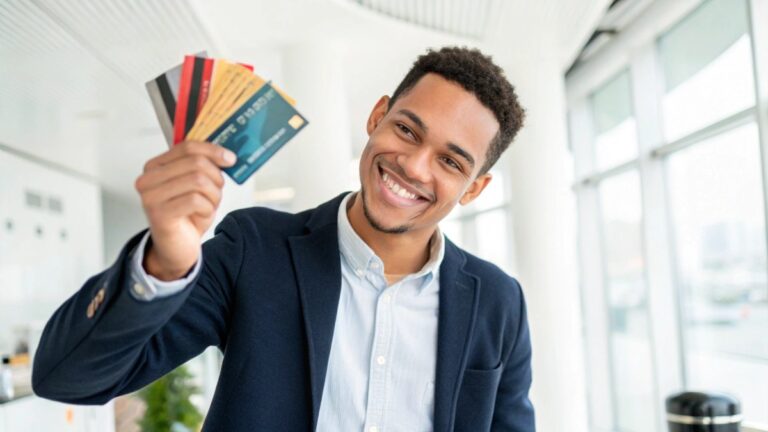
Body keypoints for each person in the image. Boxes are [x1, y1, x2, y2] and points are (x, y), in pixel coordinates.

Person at [32, 46, 534, 431]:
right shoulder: (256, 250)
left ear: (475, 188)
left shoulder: (498, 300)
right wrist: (164, 263)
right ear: (377, 115)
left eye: (450, 161)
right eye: (406, 130)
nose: (414, 166)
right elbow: (68, 377)